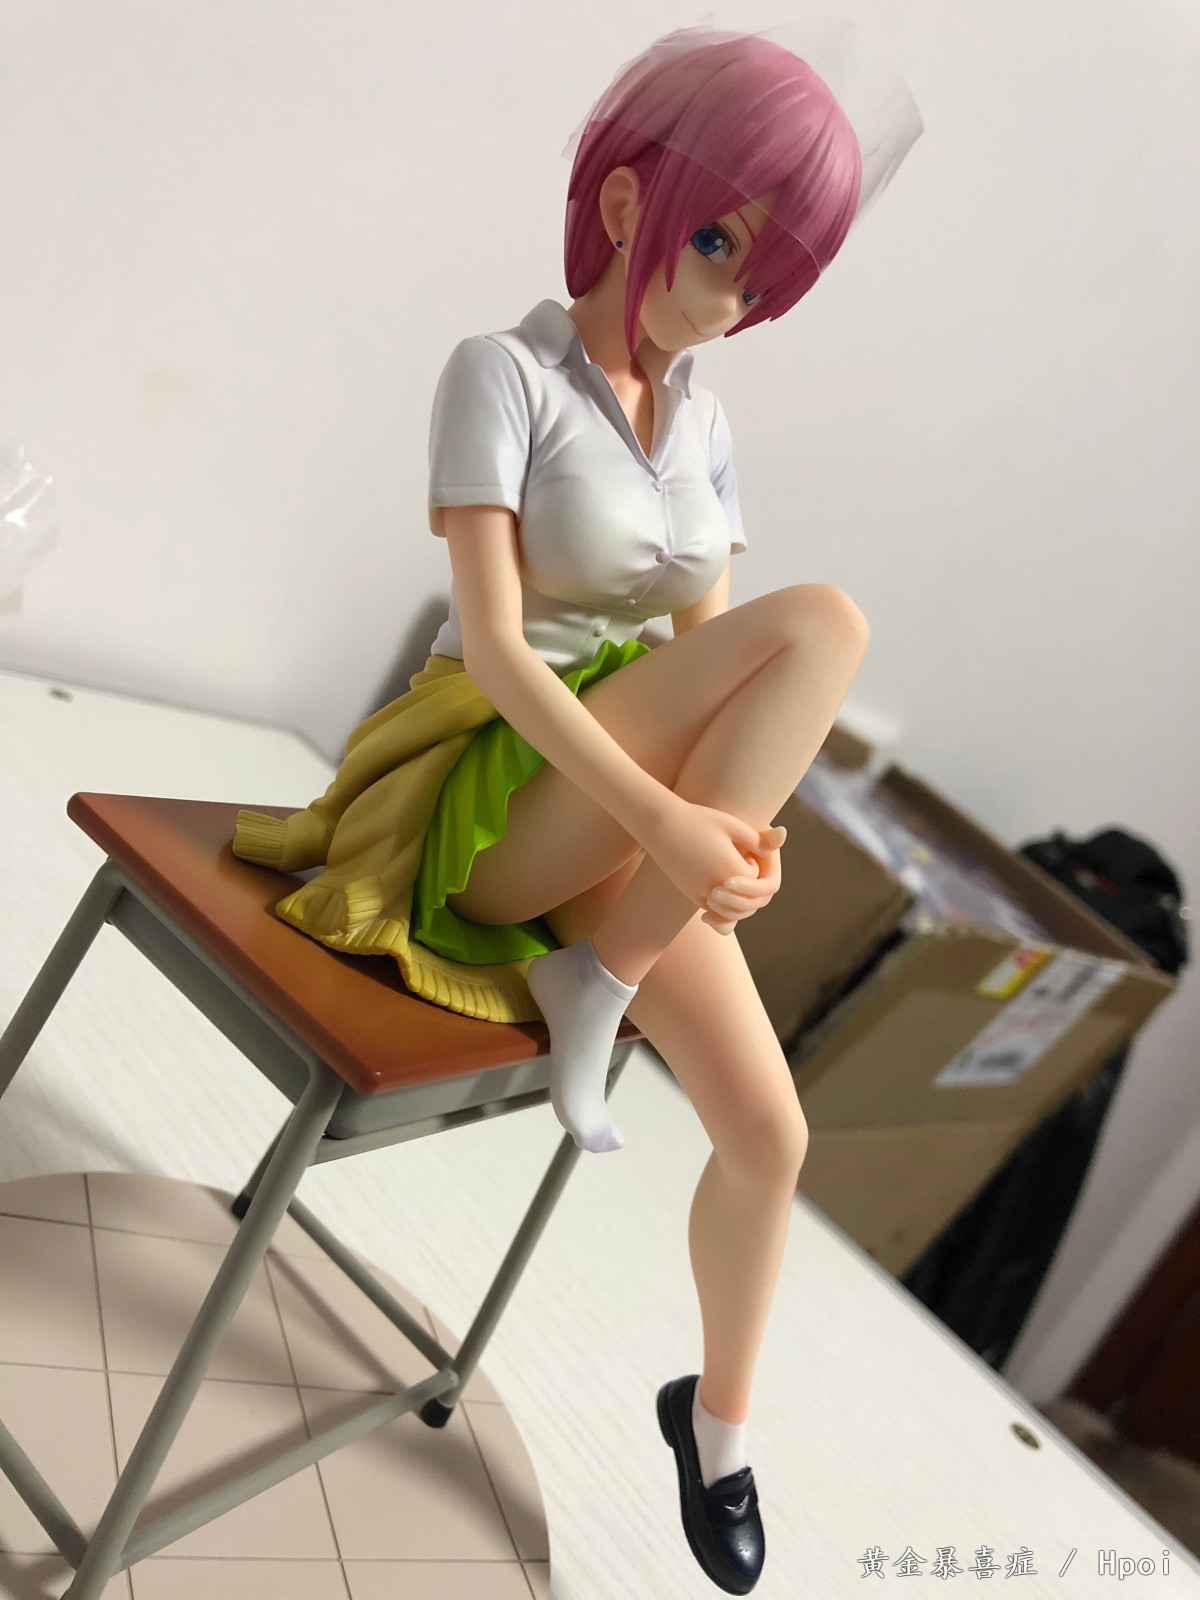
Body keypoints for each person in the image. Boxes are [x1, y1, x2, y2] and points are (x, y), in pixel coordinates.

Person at [234, 21, 921, 1593]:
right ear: (625, 202)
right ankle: (599, 976)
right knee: (830, 621)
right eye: (718, 243)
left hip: (621, 838)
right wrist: (671, 827)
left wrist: (736, 843)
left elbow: (713, 667)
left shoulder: (708, 424)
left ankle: (717, 1425)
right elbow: (492, 646)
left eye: (763, 275)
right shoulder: (504, 376)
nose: (730, 297)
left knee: (773, 1133)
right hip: (493, 786)